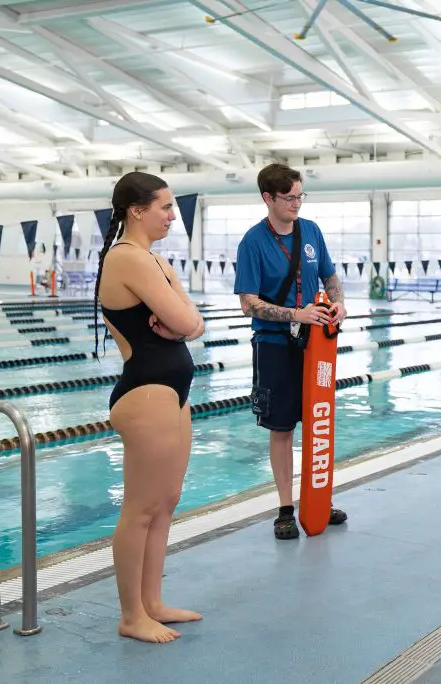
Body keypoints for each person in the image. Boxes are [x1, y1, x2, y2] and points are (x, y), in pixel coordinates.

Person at [94, 171, 206, 643]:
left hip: (171, 392)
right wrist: (180, 318)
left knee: (167, 501)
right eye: (164, 207)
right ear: (137, 210)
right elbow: (187, 321)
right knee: (141, 508)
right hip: (147, 391)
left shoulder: (155, 262)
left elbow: (192, 322)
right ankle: (129, 615)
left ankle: (152, 602)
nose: (172, 215)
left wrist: (181, 315)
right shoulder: (129, 260)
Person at [234, 163, 348, 540]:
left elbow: (329, 274)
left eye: (300, 196)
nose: (297, 204)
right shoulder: (253, 242)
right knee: (281, 429)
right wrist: (295, 314)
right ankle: (285, 508)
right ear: (268, 198)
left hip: (317, 346)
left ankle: (318, 497)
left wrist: (339, 302)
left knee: (319, 421)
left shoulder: (311, 230)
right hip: (275, 346)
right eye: (289, 198)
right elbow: (248, 303)